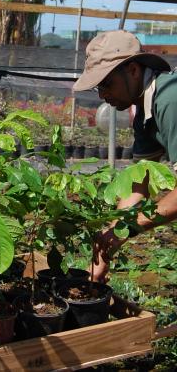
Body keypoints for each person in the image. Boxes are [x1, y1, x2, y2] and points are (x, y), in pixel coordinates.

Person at [73, 29, 177, 282]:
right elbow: (139, 183)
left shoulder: (170, 100)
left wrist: (127, 228)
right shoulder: (143, 112)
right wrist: (110, 236)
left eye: (107, 83)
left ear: (133, 70)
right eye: (99, 86)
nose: (102, 95)